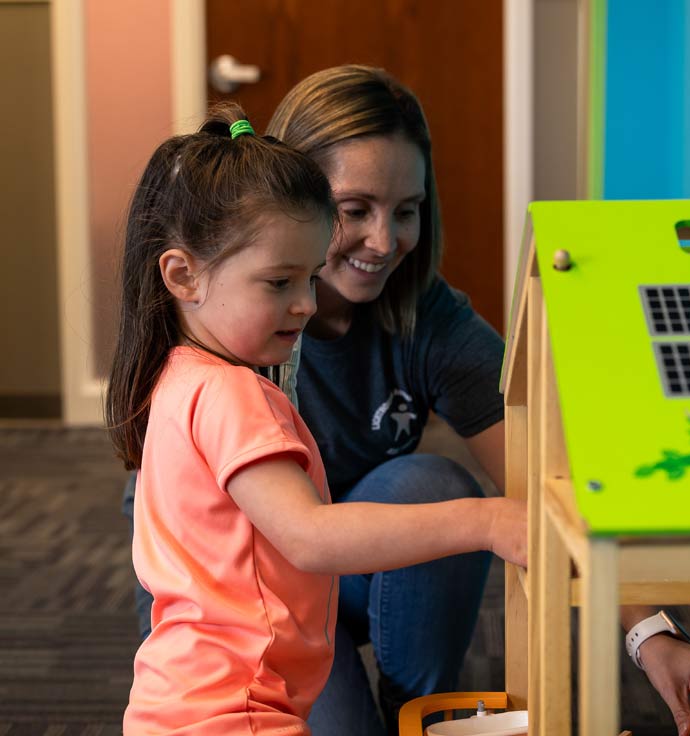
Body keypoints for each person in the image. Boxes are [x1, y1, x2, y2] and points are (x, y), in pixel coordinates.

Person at [122, 68, 690, 736]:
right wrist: (486, 520)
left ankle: (413, 710)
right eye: (354, 211)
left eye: (405, 210)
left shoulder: (193, 363)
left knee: (428, 482)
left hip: (287, 618)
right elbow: (285, 540)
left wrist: (653, 635)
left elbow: (550, 479)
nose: (384, 242)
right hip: (248, 632)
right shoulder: (231, 373)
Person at [107, 102, 527, 734]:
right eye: (280, 282)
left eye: (308, 278)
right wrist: (487, 519)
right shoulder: (233, 394)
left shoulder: (175, 377)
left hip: (185, 692)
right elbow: (308, 536)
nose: (305, 304)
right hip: (241, 701)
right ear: (182, 274)